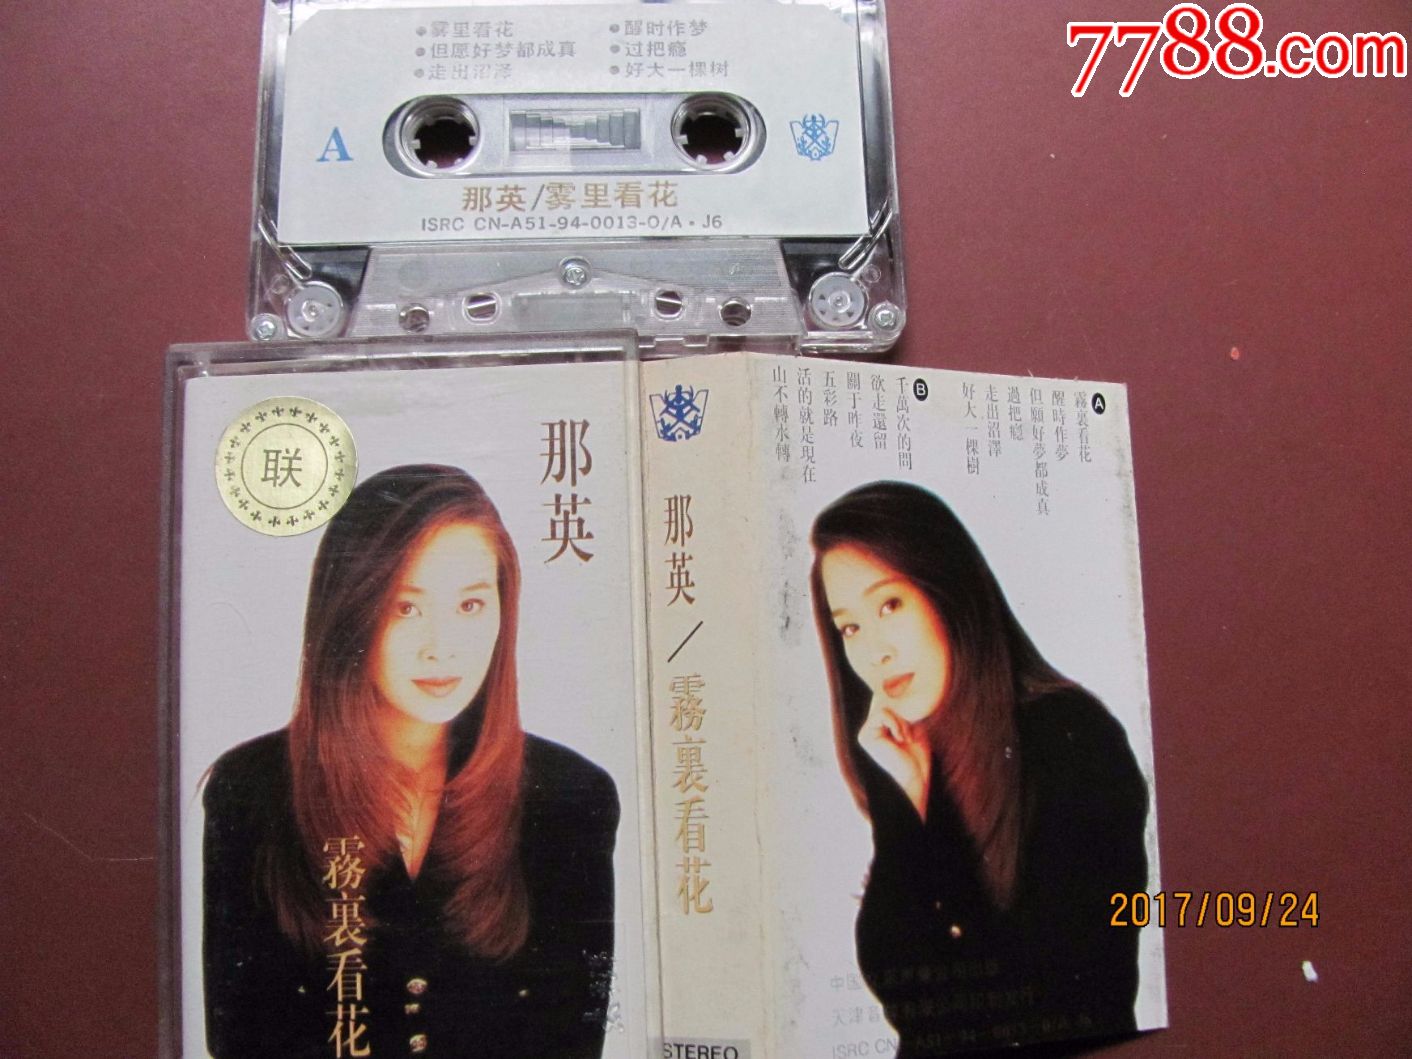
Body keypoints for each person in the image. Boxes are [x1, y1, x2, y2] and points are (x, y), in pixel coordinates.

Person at [202, 465, 619, 1059]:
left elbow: (574, 1037)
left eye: (471, 605)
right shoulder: (252, 789)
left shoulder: (571, 796)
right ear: (351, 611)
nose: (440, 647)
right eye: (405, 607)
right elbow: (241, 1038)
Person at [809, 481, 1148, 1056]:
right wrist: (906, 806)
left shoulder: (1073, 740)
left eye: (890, 605)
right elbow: (901, 987)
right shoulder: (915, 758)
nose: (874, 651)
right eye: (851, 627)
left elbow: (1058, 1001)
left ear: (947, 590)